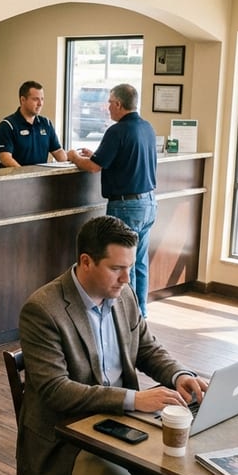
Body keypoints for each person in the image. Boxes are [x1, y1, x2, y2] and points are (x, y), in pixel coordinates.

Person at [17, 215, 208, 475]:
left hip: (123, 427)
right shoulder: (43, 310)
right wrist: (134, 400)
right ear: (86, 262)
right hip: (66, 440)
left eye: (129, 266)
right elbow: (55, 391)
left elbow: (146, 347)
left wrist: (180, 375)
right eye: (117, 268)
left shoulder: (124, 296)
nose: (127, 277)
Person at [67, 84, 159, 316]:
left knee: (123, 263)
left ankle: (126, 316)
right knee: (139, 262)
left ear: (118, 104)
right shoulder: (147, 128)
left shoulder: (117, 131)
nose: (107, 107)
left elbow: (93, 167)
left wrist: (74, 156)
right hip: (148, 203)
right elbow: (113, 158)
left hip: (126, 205)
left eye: (109, 102)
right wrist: (94, 154)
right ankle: (140, 313)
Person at [0, 80, 69, 167]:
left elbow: (57, 151)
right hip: (16, 178)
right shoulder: (8, 125)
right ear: (23, 100)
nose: (40, 103)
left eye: (42, 99)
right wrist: (24, 174)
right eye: (35, 99)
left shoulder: (46, 123)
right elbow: (5, 157)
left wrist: (72, 159)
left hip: (40, 178)